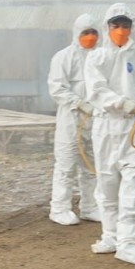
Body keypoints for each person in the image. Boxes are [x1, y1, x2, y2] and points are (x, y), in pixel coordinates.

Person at [84, 3, 135, 266]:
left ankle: (129, 244)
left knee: (134, 189)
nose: (120, 30)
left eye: (125, 26)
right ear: (107, 26)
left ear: (132, 28)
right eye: (115, 25)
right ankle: (111, 236)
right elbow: (96, 91)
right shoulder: (96, 58)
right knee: (107, 186)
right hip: (105, 127)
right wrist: (121, 102)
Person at [47, 14, 100, 226]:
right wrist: (78, 103)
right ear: (77, 33)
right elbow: (56, 88)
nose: (90, 37)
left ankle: (90, 207)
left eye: (94, 32)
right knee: (66, 164)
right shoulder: (63, 57)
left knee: (92, 166)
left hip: (94, 119)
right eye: (86, 32)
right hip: (71, 118)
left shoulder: (101, 57)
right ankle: (59, 209)